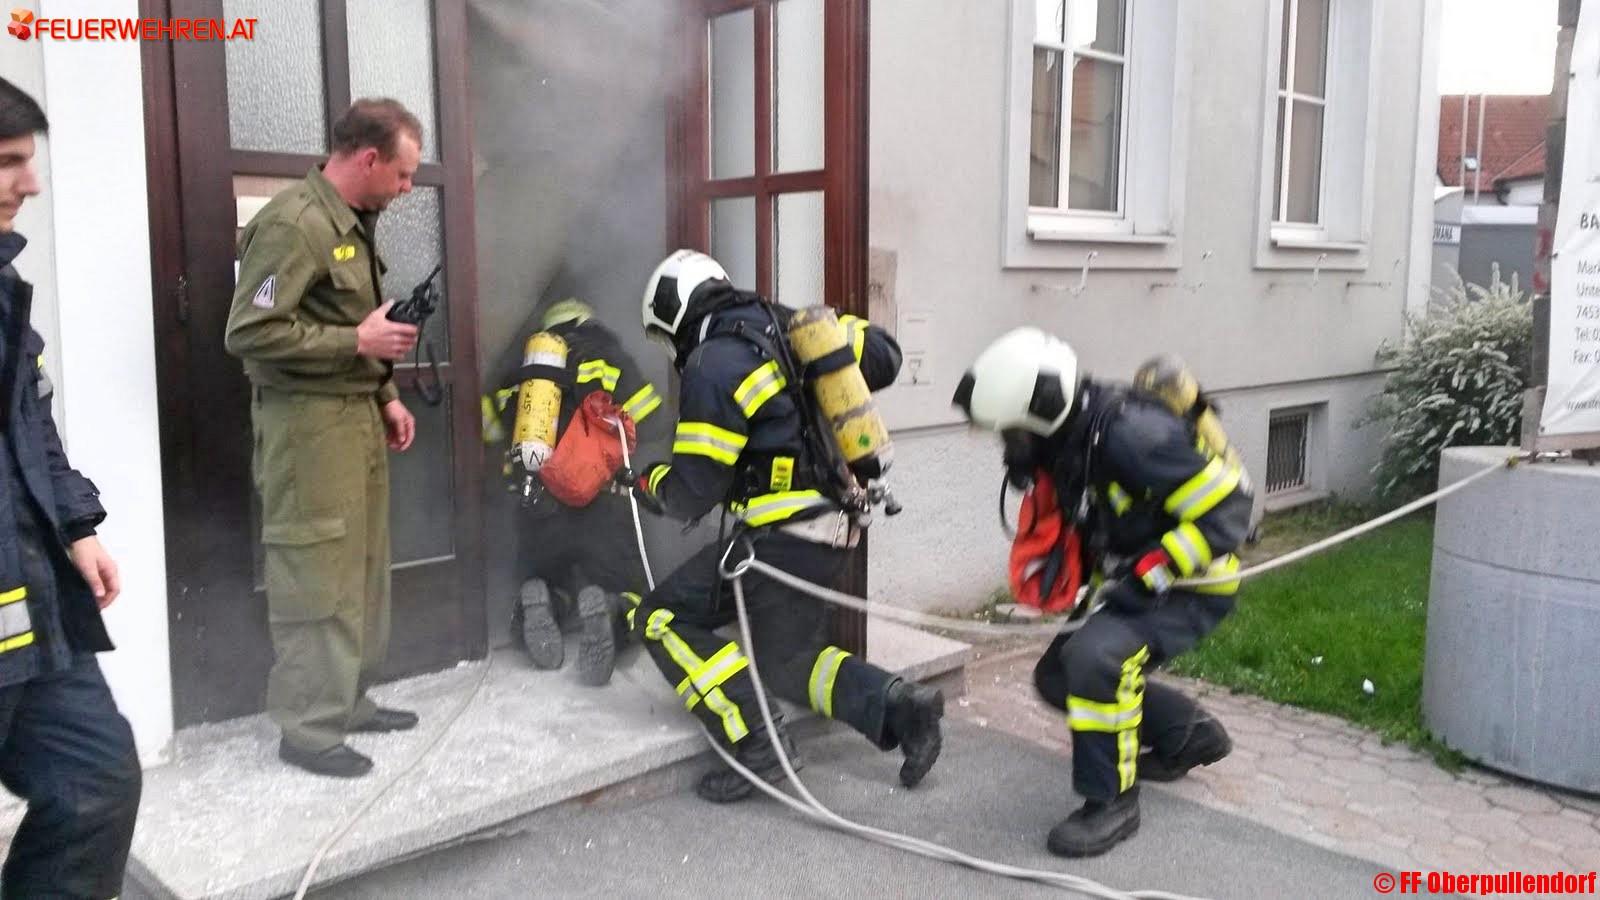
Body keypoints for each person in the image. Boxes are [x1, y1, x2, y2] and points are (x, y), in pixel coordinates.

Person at [628, 249, 944, 803]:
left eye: (663, 337)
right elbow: (886, 358)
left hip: (782, 538)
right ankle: (901, 708)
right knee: (787, 660)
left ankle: (759, 744)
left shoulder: (713, 362)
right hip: (837, 530)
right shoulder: (790, 324)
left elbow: (690, 495)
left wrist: (647, 480)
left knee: (660, 617)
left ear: (674, 314)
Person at [953, 327, 1250, 857]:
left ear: (1042, 411)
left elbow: (1229, 510)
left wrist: (1154, 569)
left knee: (1096, 660)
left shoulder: (1133, 435)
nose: (1009, 447)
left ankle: (1111, 803)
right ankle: (1189, 735)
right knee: (1055, 676)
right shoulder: (1071, 438)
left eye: (1013, 434)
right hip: (1133, 579)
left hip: (1191, 582)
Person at [224, 98, 425, 778]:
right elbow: (247, 330)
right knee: (318, 570)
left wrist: (387, 394)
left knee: (361, 568)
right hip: (306, 427)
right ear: (368, 159)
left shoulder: (353, 223)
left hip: (354, 417)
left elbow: (352, 321)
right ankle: (308, 729)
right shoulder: (293, 224)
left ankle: (348, 701)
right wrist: (357, 341)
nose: (405, 190)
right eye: (401, 175)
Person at [0, 76, 142, 898]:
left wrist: (77, 526)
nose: (33, 182)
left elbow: (31, 424)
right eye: (10, 163)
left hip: (34, 608)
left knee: (98, 781)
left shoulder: (6, 289)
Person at [485, 297, 666, 685]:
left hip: (538, 503)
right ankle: (612, 611)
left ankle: (544, 597)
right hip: (603, 500)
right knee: (629, 589)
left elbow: (490, 428)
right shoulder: (609, 354)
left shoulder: (525, 367)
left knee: (546, 574)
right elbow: (651, 418)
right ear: (586, 320)